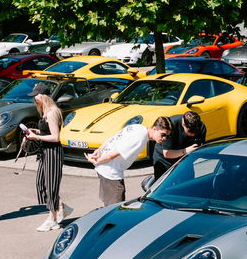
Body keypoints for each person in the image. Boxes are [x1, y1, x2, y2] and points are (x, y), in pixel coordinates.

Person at [85, 116, 172, 206]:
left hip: (104, 169)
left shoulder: (137, 127)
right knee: (116, 208)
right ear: (154, 129)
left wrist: (99, 150)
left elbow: (113, 138)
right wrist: (98, 161)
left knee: (108, 204)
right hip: (111, 173)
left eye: (167, 136)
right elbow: (114, 154)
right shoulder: (140, 138)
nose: (164, 138)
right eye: (163, 134)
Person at [24, 84, 73, 231]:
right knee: (41, 185)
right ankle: (61, 206)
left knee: (51, 186)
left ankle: (52, 219)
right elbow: (47, 132)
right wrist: (35, 131)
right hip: (45, 151)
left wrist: (36, 137)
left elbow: (56, 137)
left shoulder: (52, 112)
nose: (34, 99)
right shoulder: (45, 111)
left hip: (53, 152)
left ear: (43, 96)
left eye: (36, 96)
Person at [152, 111, 207, 179]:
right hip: (164, 159)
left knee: (188, 180)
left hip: (185, 158)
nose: (193, 134)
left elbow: (200, 148)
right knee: (166, 183)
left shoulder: (201, 127)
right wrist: (185, 151)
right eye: (190, 131)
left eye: (195, 132)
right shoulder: (171, 126)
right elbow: (167, 153)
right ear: (183, 124)